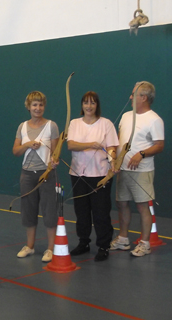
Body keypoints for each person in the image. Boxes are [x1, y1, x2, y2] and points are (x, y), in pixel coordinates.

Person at [110, 81, 164, 257]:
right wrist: (114, 158)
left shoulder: (154, 119)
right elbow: (118, 140)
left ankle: (145, 243)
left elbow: (159, 145)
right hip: (122, 169)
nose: (130, 97)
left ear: (144, 97)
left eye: (134, 94)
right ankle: (123, 238)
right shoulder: (126, 116)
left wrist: (141, 154)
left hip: (142, 171)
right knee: (122, 203)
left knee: (142, 206)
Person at [67, 92, 119, 261]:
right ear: (81, 105)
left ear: (97, 105)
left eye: (93, 103)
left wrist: (113, 161)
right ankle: (84, 242)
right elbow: (71, 145)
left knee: (101, 212)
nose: (89, 106)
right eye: (86, 103)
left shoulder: (106, 124)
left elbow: (112, 147)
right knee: (81, 211)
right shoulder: (75, 123)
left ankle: (104, 245)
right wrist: (91, 145)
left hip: (101, 174)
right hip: (78, 174)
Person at [12, 91, 60, 262]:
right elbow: (16, 151)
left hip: (45, 174)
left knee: (49, 211)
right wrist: (27, 144)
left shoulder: (51, 126)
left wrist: (53, 162)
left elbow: (55, 153)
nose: (37, 108)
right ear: (29, 107)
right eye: (34, 105)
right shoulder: (22, 127)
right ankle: (30, 246)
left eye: (40, 105)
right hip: (27, 174)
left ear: (44, 106)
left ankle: (50, 248)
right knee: (28, 211)